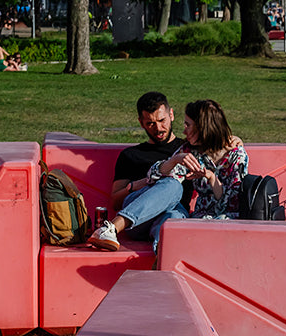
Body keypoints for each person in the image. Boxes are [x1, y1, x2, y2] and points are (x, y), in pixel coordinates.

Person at [87, 98, 248, 251]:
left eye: (188, 125)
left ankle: (162, 257)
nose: (184, 130)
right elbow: (152, 181)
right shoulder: (179, 152)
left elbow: (233, 203)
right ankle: (112, 228)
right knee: (173, 185)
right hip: (137, 218)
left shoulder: (227, 153)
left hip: (176, 215)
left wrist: (212, 177)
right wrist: (173, 161)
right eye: (150, 123)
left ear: (202, 127)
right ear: (141, 123)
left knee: (172, 216)